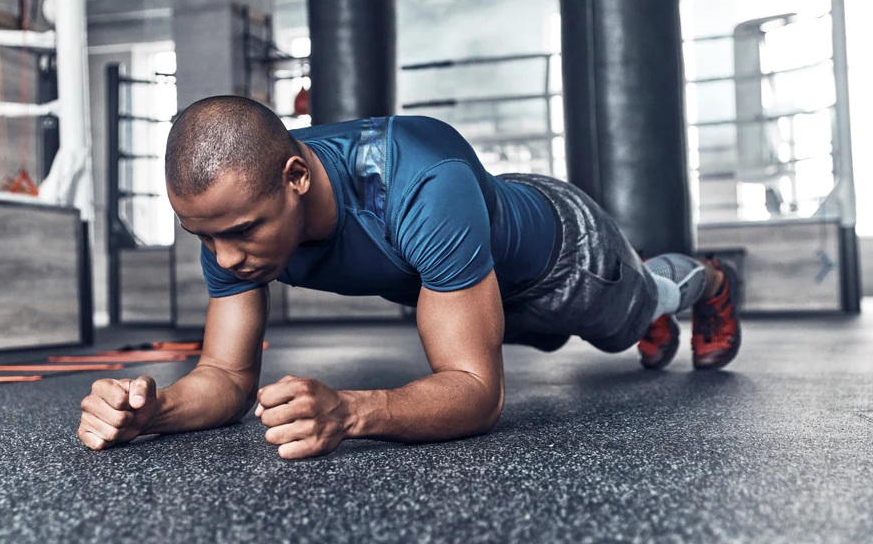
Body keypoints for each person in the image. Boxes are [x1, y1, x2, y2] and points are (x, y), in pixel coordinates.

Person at [77, 96, 742, 459]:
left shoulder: (416, 183)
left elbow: (476, 393)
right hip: (470, 273)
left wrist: (350, 411)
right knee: (535, 334)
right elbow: (224, 376)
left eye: (242, 231)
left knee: (634, 313)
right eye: (203, 236)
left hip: (566, 259)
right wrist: (155, 412)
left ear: (297, 180)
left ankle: (706, 278)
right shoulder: (234, 214)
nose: (223, 259)